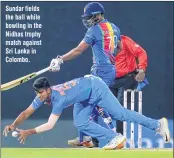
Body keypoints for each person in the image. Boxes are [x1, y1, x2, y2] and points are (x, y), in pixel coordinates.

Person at [3, 76, 170, 150]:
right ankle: (97, 139)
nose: (38, 97)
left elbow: (50, 125)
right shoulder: (44, 95)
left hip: (94, 87)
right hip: (83, 95)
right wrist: (14, 125)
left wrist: (28, 132)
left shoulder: (58, 99)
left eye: (40, 93)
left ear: (47, 89)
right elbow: (26, 112)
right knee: (80, 122)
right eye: (37, 94)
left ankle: (157, 125)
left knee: (120, 114)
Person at [49, 2, 122, 147]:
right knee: (86, 101)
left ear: (99, 15)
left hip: (100, 70)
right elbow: (119, 48)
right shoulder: (115, 27)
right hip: (110, 70)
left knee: (88, 102)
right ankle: (86, 138)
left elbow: (78, 50)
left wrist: (60, 59)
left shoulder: (94, 30)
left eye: (91, 17)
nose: (88, 20)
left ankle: (109, 136)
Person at [67, 35, 149, 147]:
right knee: (94, 105)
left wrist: (142, 69)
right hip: (110, 80)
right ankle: (90, 140)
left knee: (119, 109)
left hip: (127, 78)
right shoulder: (101, 46)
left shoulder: (125, 41)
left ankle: (119, 140)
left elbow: (141, 53)